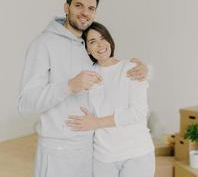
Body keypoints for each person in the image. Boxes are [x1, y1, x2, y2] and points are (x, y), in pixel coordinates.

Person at [17, 0, 149, 177]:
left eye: (91, 8)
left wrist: (144, 69)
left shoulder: (88, 45)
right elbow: (25, 103)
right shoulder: (43, 44)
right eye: (79, 6)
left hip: (91, 150)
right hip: (58, 152)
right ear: (66, 7)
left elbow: (115, 73)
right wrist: (69, 86)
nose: (85, 13)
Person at [65, 21, 155, 177]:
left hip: (136, 153)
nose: (100, 45)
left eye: (103, 38)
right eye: (92, 41)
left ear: (110, 40)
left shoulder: (130, 68)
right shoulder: (86, 74)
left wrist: (97, 123)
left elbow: (138, 113)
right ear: (86, 49)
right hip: (103, 156)